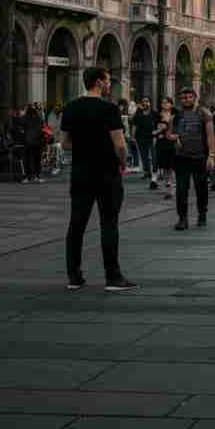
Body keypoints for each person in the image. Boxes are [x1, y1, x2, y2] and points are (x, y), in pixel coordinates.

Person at [61, 67, 135, 292]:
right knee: (109, 223)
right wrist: (123, 161)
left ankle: (74, 277)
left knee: (76, 224)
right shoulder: (109, 108)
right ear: (99, 82)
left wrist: (85, 146)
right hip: (107, 173)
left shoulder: (71, 107)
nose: (109, 84)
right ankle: (113, 277)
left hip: (80, 173)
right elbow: (120, 144)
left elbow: (64, 143)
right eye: (107, 80)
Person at [172, 87, 215, 230]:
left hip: (200, 156)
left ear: (195, 97)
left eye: (189, 97)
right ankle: (182, 218)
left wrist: (211, 155)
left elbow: (210, 136)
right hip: (181, 157)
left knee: (201, 187)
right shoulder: (177, 115)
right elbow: (171, 133)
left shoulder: (204, 113)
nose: (186, 100)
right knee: (181, 189)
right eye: (183, 98)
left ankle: (202, 214)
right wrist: (175, 138)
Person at [154, 98, 178, 199]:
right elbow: (154, 130)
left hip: (172, 143)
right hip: (162, 143)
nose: (164, 104)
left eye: (167, 102)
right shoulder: (158, 115)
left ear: (171, 104)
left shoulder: (176, 115)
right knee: (165, 166)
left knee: (172, 166)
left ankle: (172, 189)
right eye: (163, 102)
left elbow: (178, 128)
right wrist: (157, 133)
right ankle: (168, 186)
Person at [132, 98, 157, 188]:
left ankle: (155, 172)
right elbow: (134, 125)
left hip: (152, 137)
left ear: (150, 103)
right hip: (140, 137)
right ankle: (147, 172)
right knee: (144, 156)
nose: (145, 103)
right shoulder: (138, 113)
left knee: (154, 155)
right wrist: (133, 136)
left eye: (147, 101)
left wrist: (157, 133)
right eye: (143, 102)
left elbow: (158, 124)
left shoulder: (154, 113)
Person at [21, 103, 44, 184]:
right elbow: (42, 128)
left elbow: (21, 127)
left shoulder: (25, 118)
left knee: (27, 160)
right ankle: (37, 177)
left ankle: (27, 177)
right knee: (37, 160)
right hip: (37, 142)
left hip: (28, 142)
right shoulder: (39, 118)